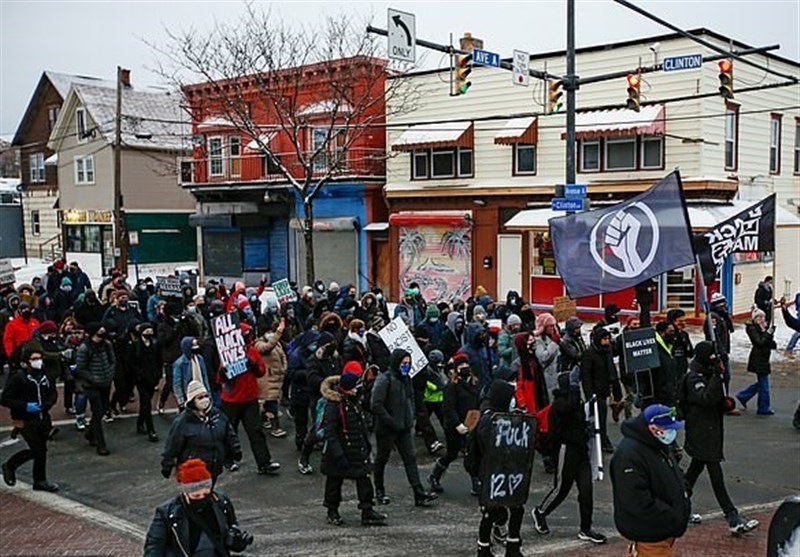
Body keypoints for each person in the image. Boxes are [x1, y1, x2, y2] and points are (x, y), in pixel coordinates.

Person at [681, 341, 760, 535]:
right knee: (716, 477)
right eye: (712, 356)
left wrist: (725, 403)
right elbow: (705, 399)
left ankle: (677, 504)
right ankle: (732, 517)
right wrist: (717, 377)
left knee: (692, 473)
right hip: (701, 432)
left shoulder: (707, 374)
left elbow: (714, 400)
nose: (715, 359)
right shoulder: (694, 377)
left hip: (710, 430)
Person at [531, 372, 606, 544]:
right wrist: (574, 389)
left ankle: (586, 528)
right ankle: (541, 511)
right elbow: (568, 408)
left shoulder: (577, 401)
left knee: (586, 490)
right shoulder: (560, 403)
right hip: (566, 449)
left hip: (581, 450)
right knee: (561, 488)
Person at [610, 404, 691, 557]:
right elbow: (636, 500)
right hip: (650, 536)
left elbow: (674, 472)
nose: (672, 433)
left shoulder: (658, 445)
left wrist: (683, 492)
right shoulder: (630, 455)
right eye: (668, 428)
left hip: (662, 534)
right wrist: (671, 516)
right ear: (653, 428)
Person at [144, 458, 254, 557]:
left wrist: (237, 542)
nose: (201, 498)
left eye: (206, 494)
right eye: (196, 496)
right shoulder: (167, 513)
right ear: (185, 493)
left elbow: (231, 533)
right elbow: (154, 547)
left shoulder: (221, 502)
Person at [371, 348, 437, 507]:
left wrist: (411, 417)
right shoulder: (385, 379)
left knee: (410, 459)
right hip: (388, 429)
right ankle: (379, 490)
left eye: (408, 363)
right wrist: (390, 420)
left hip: (404, 427)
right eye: (403, 363)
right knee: (382, 459)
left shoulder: (406, 379)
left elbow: (411, 399)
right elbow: (376, 404)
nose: (406, 366)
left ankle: (419, 493)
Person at [320, 370, 387, 527]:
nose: (357, 390)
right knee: (334, 482)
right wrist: (338, 454)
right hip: (339, 452)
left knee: (364, 479)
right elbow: (330, 432)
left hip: (356, 449)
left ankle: (367, 510)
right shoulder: (334, 405)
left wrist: (366, 443)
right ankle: (332, 510)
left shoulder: (354, 402)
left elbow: (361, 425)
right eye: (354, 387)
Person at [469, 379, 526, 557]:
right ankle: (483, 548)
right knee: (490, 511)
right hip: (492, 472)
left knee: (517, 507)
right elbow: (489, 446)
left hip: (507, 472)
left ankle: (513, 546)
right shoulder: (489, 419)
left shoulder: (501, 416)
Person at [219, 323, 281, 475]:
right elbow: (220, 378)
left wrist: (253, 365)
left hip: (249, 399)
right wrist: (224, 372)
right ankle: (228, 460)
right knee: (229, 431)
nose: (249, 339)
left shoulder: (252, 351)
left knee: (256, 431)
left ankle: (264, 463)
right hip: (231, 400)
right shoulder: (228, 355)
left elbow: (261, 371)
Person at [1, 343, 59, 492]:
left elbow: (52, 392)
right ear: (27, 361)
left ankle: (39, 480)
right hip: (25, 419)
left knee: (42, 450)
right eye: (34, 359)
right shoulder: (18, 378)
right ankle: (10, 465)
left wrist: (47, 404)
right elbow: (5, 398)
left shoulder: (45, 376)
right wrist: (25, 405)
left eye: (40, 358)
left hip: (42, 417)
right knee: (37, 449)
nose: (38, 361)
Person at [161, 380, 241, 482]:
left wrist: (235, 450)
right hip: (194, 471)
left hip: (214, 466)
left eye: (206, 396)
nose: (205, 400)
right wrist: (167, 465)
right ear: (192, 400)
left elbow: (229, 434)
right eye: (200, 397)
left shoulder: (217, 415)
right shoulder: (182, 422)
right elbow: (173, 444)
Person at [428, 352, 480, 495]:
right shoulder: (451, 387)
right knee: (451, 454)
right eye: (461, 365)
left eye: (466, 364)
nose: (464, 367)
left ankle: (476, 483)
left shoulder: (474, 383)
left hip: (470, 423)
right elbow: (448, 408)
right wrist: (457, 424)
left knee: (472, 453)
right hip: (454, 426)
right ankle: (434, 476)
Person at [74, 322, 115, 456]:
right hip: (91, 386)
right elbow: (81, 368)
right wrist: (93, 379)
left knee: (103, 410)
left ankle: (90, 434)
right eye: (100, 330)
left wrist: (109, 374)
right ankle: (100, 444)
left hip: (105, 383)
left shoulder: (106, 344)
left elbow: (112, 360)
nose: (103, 331)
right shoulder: (84, 348)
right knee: (97, 413)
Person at [581, 328, 620, 453]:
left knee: (602, 417)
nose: (607, 342)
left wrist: (616, 389)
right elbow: (586, 376)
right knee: (599, 418)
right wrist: (589, 395)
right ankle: (602, 441)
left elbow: (612, 371)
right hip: (595, 392)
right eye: (604, 339)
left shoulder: (607, 352)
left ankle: (602, 439)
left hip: (604, 390)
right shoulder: (589, 354)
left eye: (608, 339)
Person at [735, 308, 777, 415]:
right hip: (758, 359)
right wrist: (768, 333)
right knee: (764, 386)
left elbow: (769, 343)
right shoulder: (752, 329)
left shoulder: (763, 328)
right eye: (758, 317)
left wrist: (770, 334)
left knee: (762, 384)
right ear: (754, 319)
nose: (761, 319)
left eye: (762, 317)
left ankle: (743, 395)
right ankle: (763, 408)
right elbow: (760, 342)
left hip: (764, 358)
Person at [255, 319, 288, 438]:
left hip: (277, 377)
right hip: (267, 379)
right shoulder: (259, 344)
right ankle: (276, 427)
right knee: (272, 403)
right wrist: (278, 333)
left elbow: (282, 355)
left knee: (268, 403)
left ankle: (262, 419)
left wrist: (284, 367)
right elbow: (266, 348)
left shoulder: (276, 342)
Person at [133, 323, 161, 442]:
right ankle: (151, 430)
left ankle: (140, 422)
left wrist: (158, 375)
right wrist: (138, 375)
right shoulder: (136, 345)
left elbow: (159, 360)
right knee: (146, 403)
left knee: (146, 402)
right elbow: (132, 362)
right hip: (141, 379)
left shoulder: (155, 344)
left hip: (152, 377)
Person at [706, 292, 735, 394]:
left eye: (723, 302)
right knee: (723, 377)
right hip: (718, 352)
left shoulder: (722, 316)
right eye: (719, 303)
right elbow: (714, 336)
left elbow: (731, 329)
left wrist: (727, 316)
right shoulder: (713, 317)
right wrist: (721, 353)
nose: (722, 305)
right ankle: (722, 401)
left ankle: (725, 398)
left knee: (726, 377)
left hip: (724, 350)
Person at [173, 336, 211, 410]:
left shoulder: (200, 359)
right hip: (187, 395)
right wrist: (181, 400)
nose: (197, 347)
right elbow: (177, 384)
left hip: (201, 392)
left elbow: (204, 377)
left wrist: (208, 394)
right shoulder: (179, 363)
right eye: (194, 345)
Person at [533, 313, 561, 400]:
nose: (552, 328)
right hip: (546, 378)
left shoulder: (554, 338)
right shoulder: (538, 340)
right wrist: (553, 344)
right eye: (550, 326)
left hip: (556, 375)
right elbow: (542, 357)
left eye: (553, 326)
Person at [3, 302, 41, 367]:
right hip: (19, 353)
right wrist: (10, 354)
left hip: (34, 352)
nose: (26, 311)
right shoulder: (12, 324)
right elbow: (8, 340)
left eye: (27, 309)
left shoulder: (35, 322)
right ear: (19, 311)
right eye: (24, 310)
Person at [653, 321, 679, 406]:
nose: (673, 334)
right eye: (670, 331)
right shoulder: (654, 348)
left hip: (670, 391)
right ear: (661, 332)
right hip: (659, 395)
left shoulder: (669, 346)